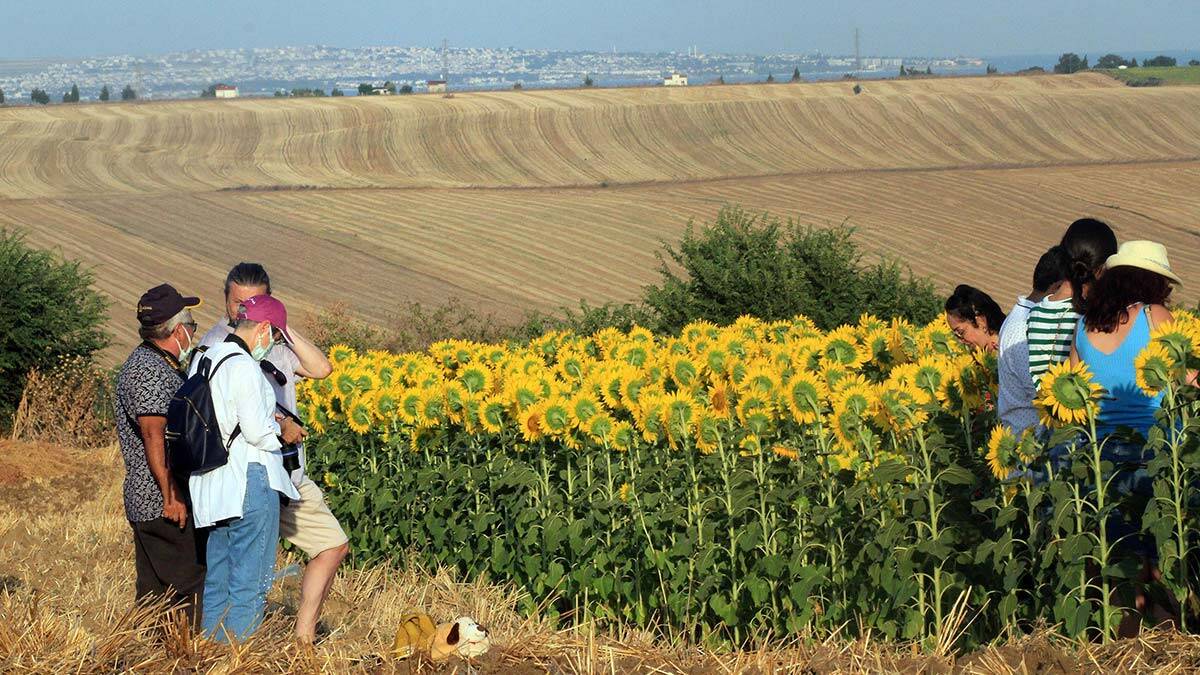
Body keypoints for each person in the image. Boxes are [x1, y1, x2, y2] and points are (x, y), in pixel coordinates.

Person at [197, 263, 346, 643]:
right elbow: (254, 426)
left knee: (228, 571)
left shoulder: (256, 346)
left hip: (274, 477)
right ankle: (238, 655)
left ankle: (294, 639)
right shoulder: (220, 348)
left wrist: (277, 322)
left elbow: (322, 367)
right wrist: (283, 427)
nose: (244, 309)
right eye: (239, 303)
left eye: (255, 303)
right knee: (248, 576)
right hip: (257, 476)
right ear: (225, 300)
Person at [1069, 240, 1180, 635]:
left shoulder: (1082, 329)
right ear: (1150, 283)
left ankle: (1126, 650)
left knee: (1121, 567)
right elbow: (1190, 379)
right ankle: (1169, 648)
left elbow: (1073, 393)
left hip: (1104, 461)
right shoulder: (1155, 316)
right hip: (1158, 456)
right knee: (1163, 562)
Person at [190, 295, 305, 642]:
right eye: (276, 337)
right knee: (249, 586)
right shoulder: (245, 366)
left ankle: (210, 657)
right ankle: (237, 660)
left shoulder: (204, 359)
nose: (274, 346)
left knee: (218, 582)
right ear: (264, 330)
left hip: (213, 486)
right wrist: (285, 431)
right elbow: (257, 433)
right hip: (249, 480)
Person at [115, 284, 205, 625]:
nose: (194, 333)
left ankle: (150, 656)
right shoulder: (149, 370)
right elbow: (154, 434)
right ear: (178, 330)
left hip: (150, 498)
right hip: (158, 500)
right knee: (189, 586)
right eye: (192, 326)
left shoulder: (154, 363)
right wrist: (171, 495)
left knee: (155, 594)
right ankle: (187, 655)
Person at [1027, 218, 1118, 386]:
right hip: (1084, 407)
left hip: (1046, 408)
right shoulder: (1092, 316)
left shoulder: (1035, 313)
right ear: (1102, 269)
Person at [997, 247, 1071, 435]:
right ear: (1058, 287)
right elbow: (1042, 394)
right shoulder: (1025, 327)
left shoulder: (1020, 316)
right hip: (1031, 450)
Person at [944, 284, 1006, 351]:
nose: (961, 341)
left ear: (982, 322)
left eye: (961, 332)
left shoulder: (1008, 351)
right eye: (957, 335)